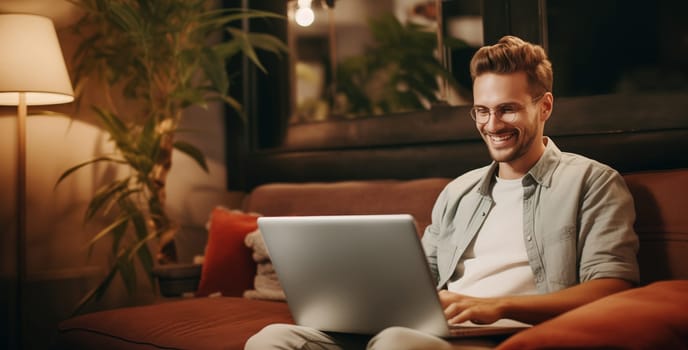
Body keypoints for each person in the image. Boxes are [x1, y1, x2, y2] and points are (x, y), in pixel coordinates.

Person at [245, 35, 639, 350]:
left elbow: (614, 285)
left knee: (395, 343)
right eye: (481, 111)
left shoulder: (592, 182)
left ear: (545, 106)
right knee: (272, 340)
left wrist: (494, 306)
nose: (492, 124)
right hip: (437, 329)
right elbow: (424, 277)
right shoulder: (459, 192)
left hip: (504, 333)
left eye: (508, 109)